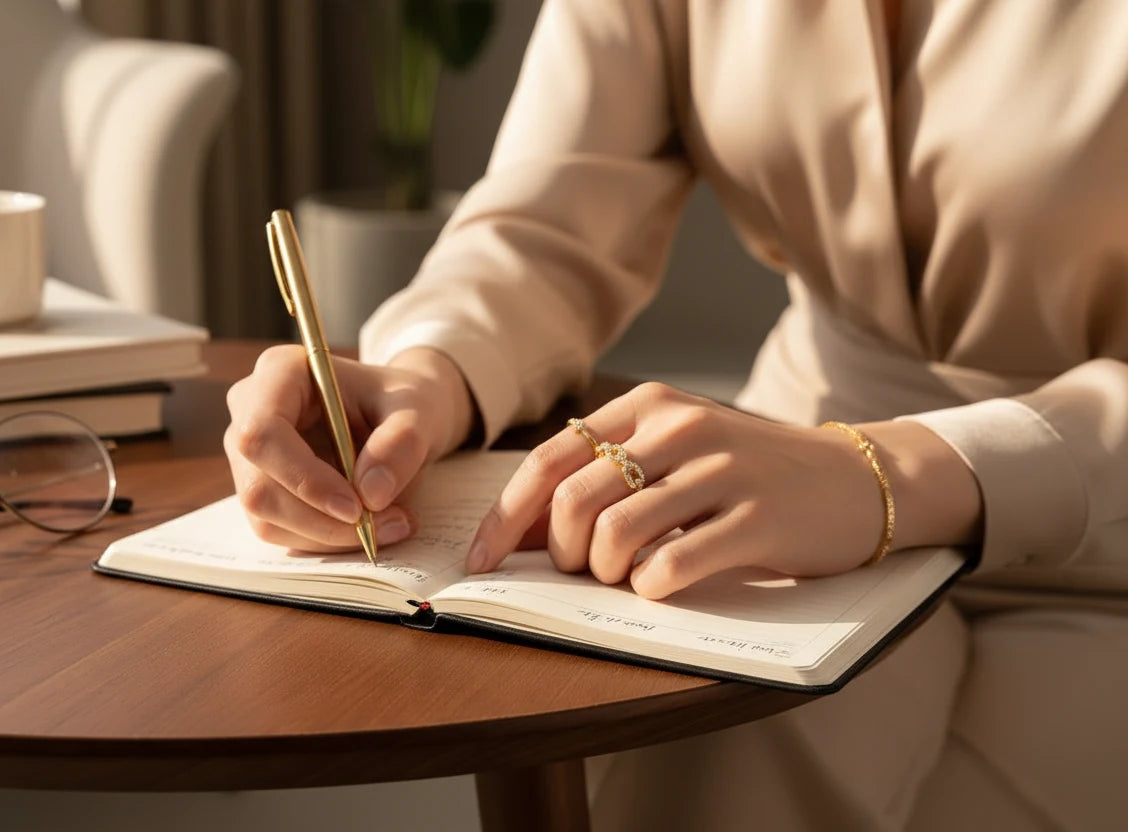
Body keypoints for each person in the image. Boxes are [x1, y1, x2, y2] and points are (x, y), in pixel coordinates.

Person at [225, 1, 1128, 828]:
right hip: (794, 510)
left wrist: (887, 471)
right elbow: (549, 220)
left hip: (1099, 540)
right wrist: (432, 370)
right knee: (725, 739)